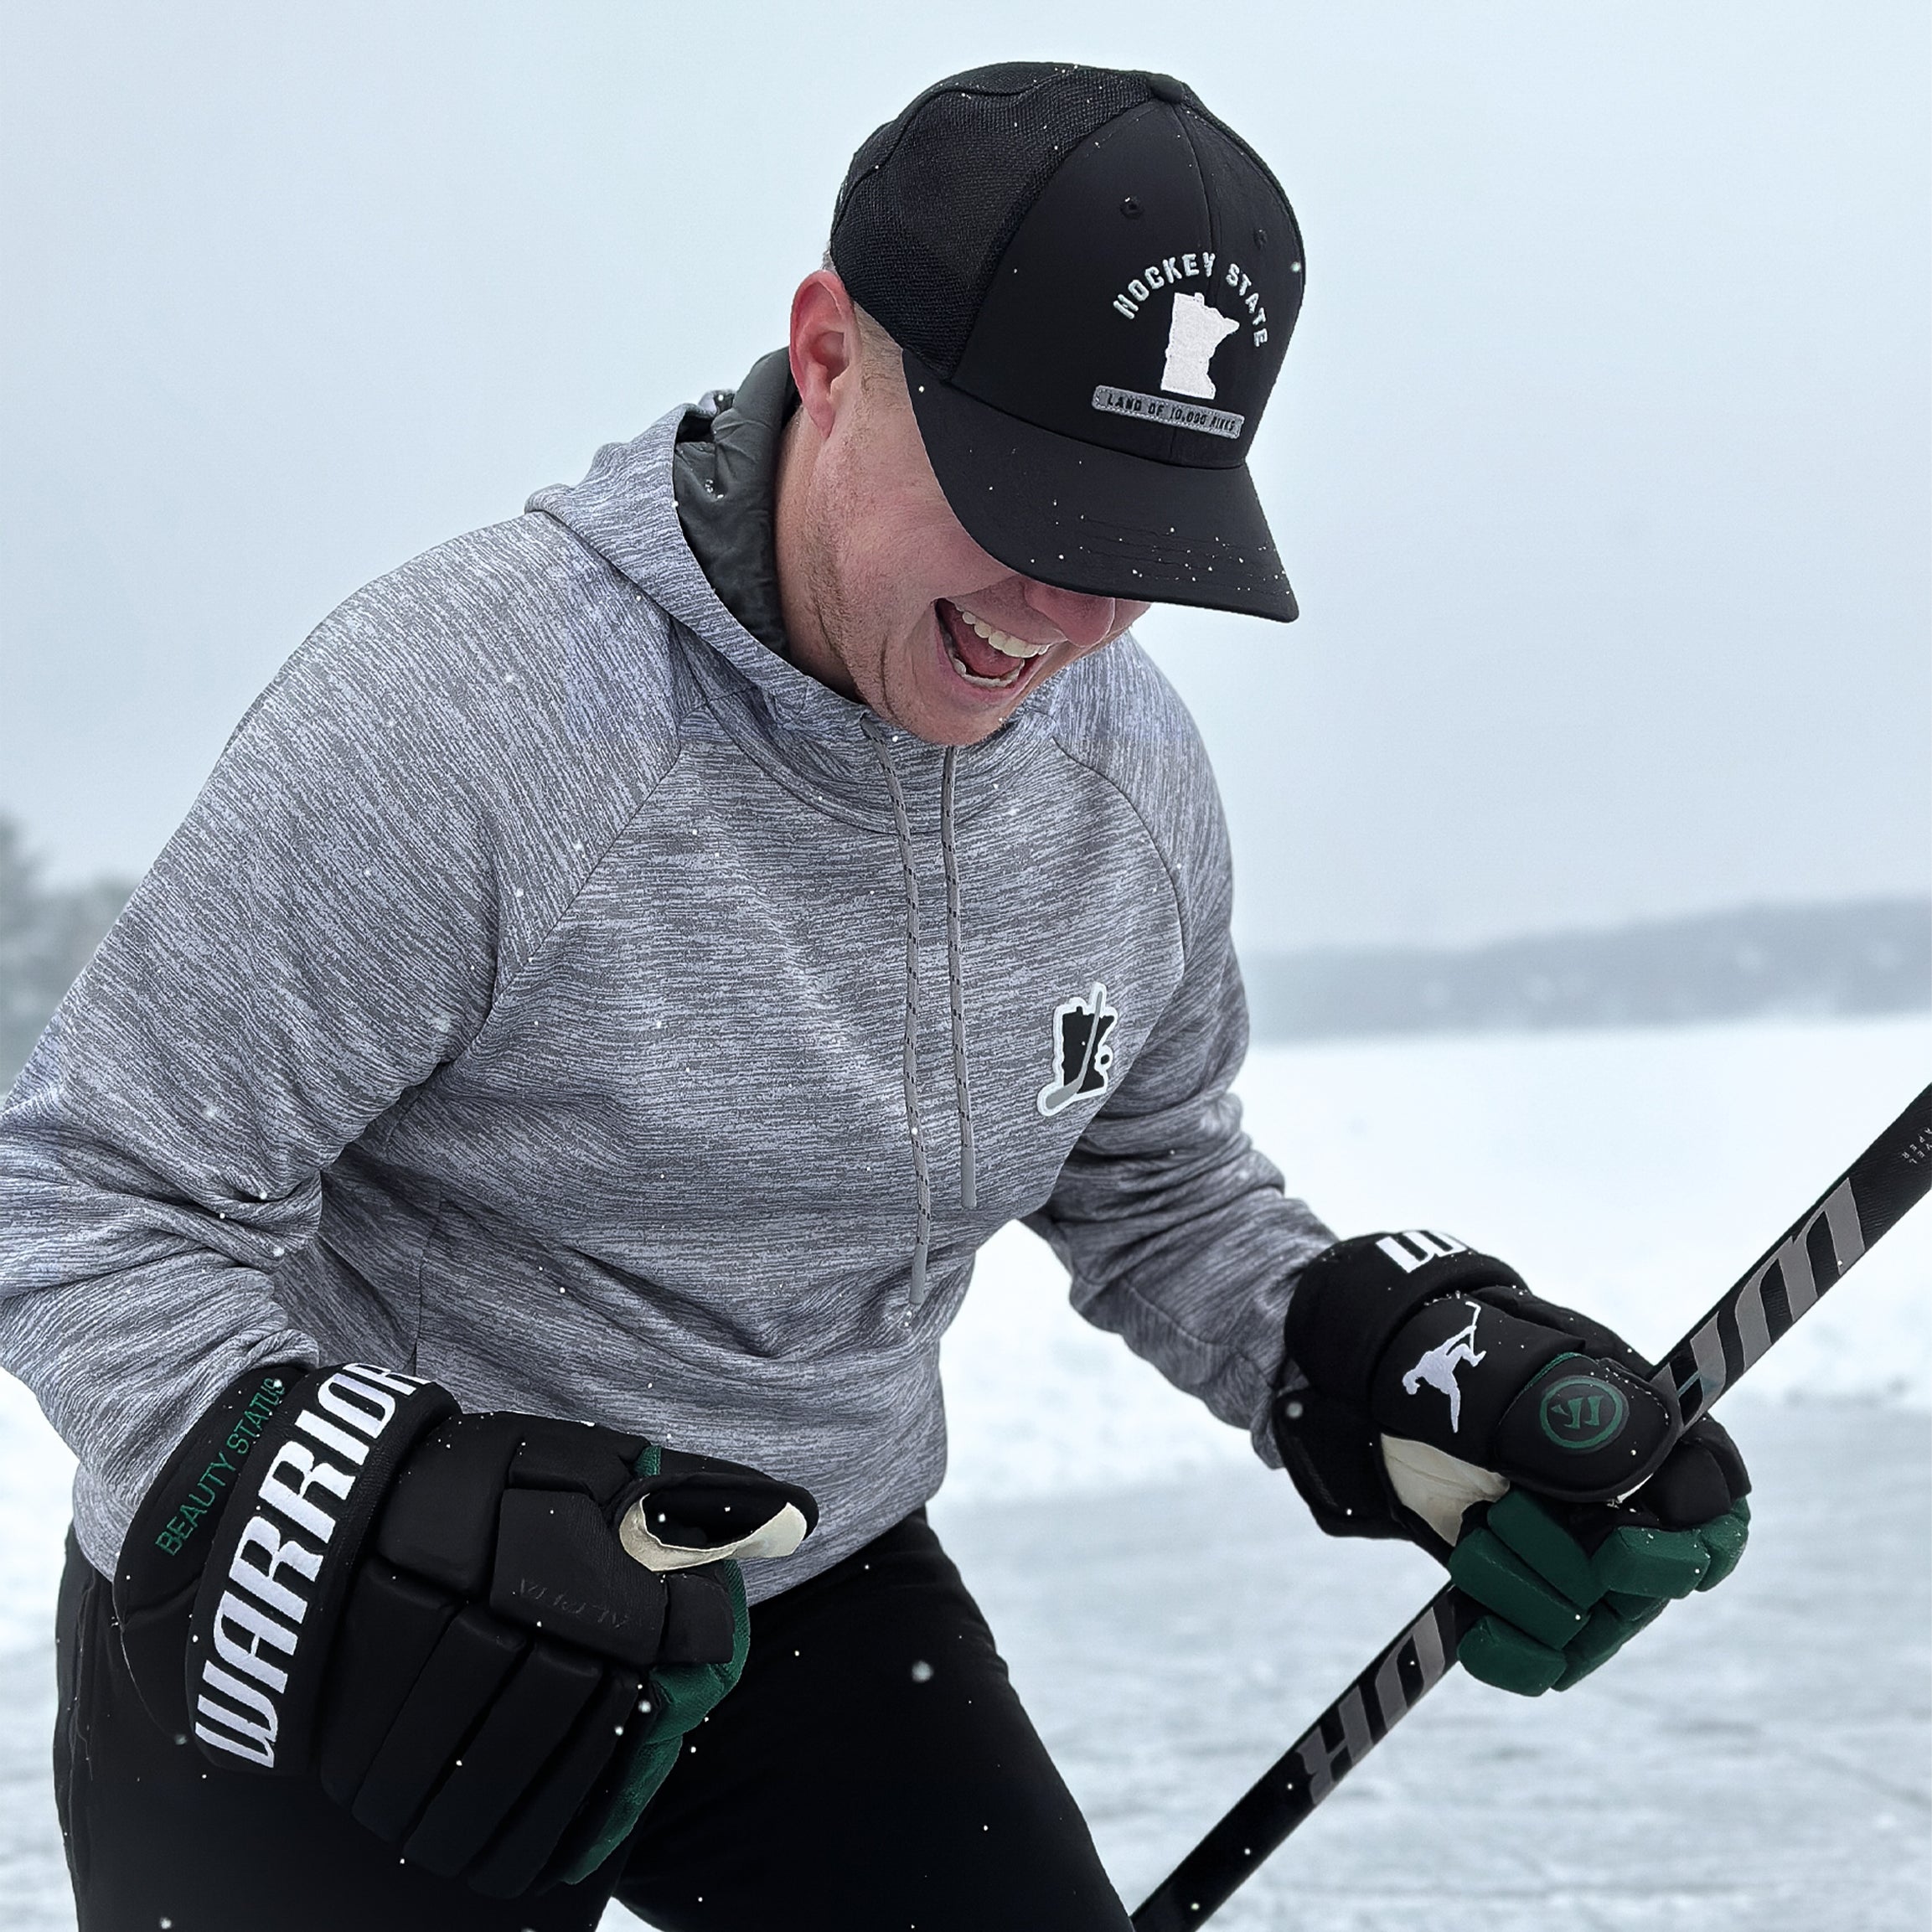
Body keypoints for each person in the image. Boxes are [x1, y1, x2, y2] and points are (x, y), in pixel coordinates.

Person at [0, 61, 1751, 1932]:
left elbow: (1153, 1184)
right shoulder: (475, 715)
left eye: (1140, 528)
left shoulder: (1122, 784)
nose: (1069, 613)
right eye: (1026, 490)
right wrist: (364, 1504)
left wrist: (1374, 1351)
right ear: (829, 349)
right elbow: (89, 1197)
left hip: (796, 1589)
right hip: (346, 1612)